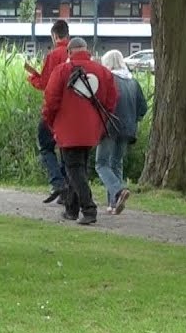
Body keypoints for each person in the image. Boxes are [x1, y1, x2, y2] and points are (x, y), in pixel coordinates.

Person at [42, 37, 118, 226]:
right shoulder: (103, 72)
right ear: (88, 51)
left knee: (73, 169)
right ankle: (71, 209)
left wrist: (51, 122)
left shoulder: (61, 71)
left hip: (68, 128)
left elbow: (50, 101)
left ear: (69, 52)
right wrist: (100, 123)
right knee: (79, 168)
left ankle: (89, 209)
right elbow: (111, 101)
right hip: (91, 129)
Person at [95, 50, 149, 215]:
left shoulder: (109, 79)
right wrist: (134, 119)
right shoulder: (132, 82)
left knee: (101, 163)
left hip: (110, 126)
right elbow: (143, 107)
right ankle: (113, 204)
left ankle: (118, 190)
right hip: (128, 128)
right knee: (116, 163)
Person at [26, 20, 71, 204]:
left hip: (54, 109)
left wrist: (32, 77)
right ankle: (67, 187)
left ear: (54, 35)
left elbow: (45, 83)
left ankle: (58, 182)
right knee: (67, 149)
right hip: (73, 110)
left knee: (46, 146)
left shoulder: (54, 55)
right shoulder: (73, 53)